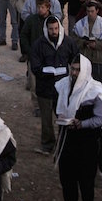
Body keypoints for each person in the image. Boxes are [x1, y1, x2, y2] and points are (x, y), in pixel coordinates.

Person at [54, 54, 102, 201]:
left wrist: (83, 124)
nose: (74, 73)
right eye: (72, 68)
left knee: (86, 179)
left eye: (78, 70)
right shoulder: (63, 85)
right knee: (67, 178)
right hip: (67, 139)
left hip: (87, 142)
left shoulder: (95, 90)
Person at [31, 15, 79, 155]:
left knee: (64, 117)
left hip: (63, 89)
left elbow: (76, 59)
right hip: (45, 88)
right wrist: (46, 72)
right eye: (51, 29)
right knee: (46, 120)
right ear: (46, 29)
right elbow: (35, 67)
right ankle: (47, 145)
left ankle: (66, 144)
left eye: (56, 28)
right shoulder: (38, 44)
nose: (54, 32)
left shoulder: (68, 42)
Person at [72, 1, 102, 83]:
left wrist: (97, 45)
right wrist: (84, 43)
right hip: (85, 56)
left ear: (97, 11)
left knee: (97, 81)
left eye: (92, 11)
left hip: (97, 58)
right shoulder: (81, 24)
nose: (90, 13)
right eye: (88, 11)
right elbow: (74, 37)